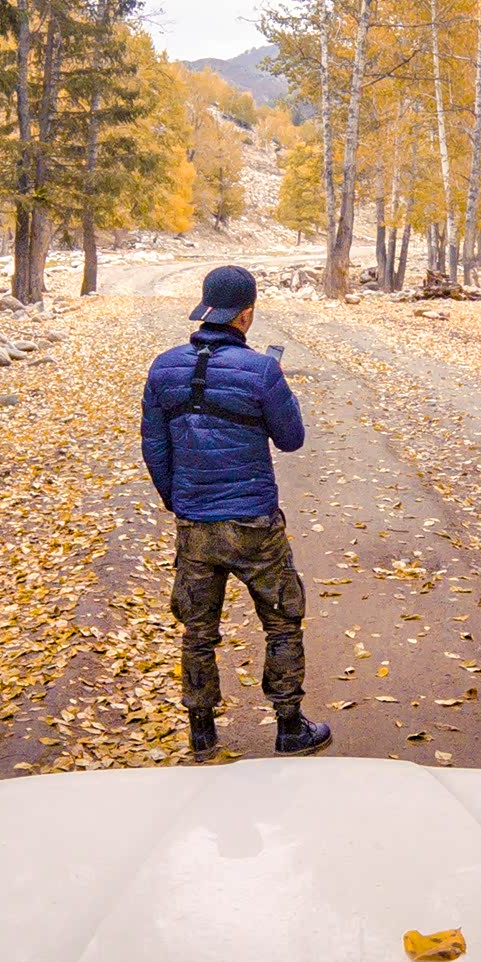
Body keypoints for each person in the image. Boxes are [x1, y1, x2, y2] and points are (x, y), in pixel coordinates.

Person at [139, 264, 331, 761]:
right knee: (283, 619)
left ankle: (201, 734)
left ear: (207, 307)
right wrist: (277, 386)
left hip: (196, 525)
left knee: (198, 631)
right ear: (245, 315)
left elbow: (154, 450)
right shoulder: (262, 371)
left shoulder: (162, 368)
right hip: (255, 524)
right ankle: (289, 727)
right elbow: (291, 440)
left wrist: (180, 503)